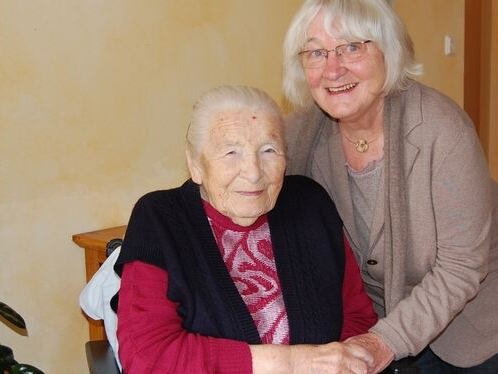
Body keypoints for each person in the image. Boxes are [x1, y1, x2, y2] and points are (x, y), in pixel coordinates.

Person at [282, 0, 498, 372]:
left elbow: (461, 268)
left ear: (388, 51)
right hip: (394, 308)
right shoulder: (303, 136)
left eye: (351, 47)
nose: (333, 68)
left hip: (488, 302)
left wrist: (383, 341)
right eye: (317, 52)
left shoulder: (440, 131)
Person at [113, 85, 379, 373]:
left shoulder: (311, 204)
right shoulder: (160, 219)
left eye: (268, 150)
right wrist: (292, 362)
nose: (253, 172)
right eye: (231, 152)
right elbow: (146, 357)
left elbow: (357, 317)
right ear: (195, 164)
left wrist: (348, 361)